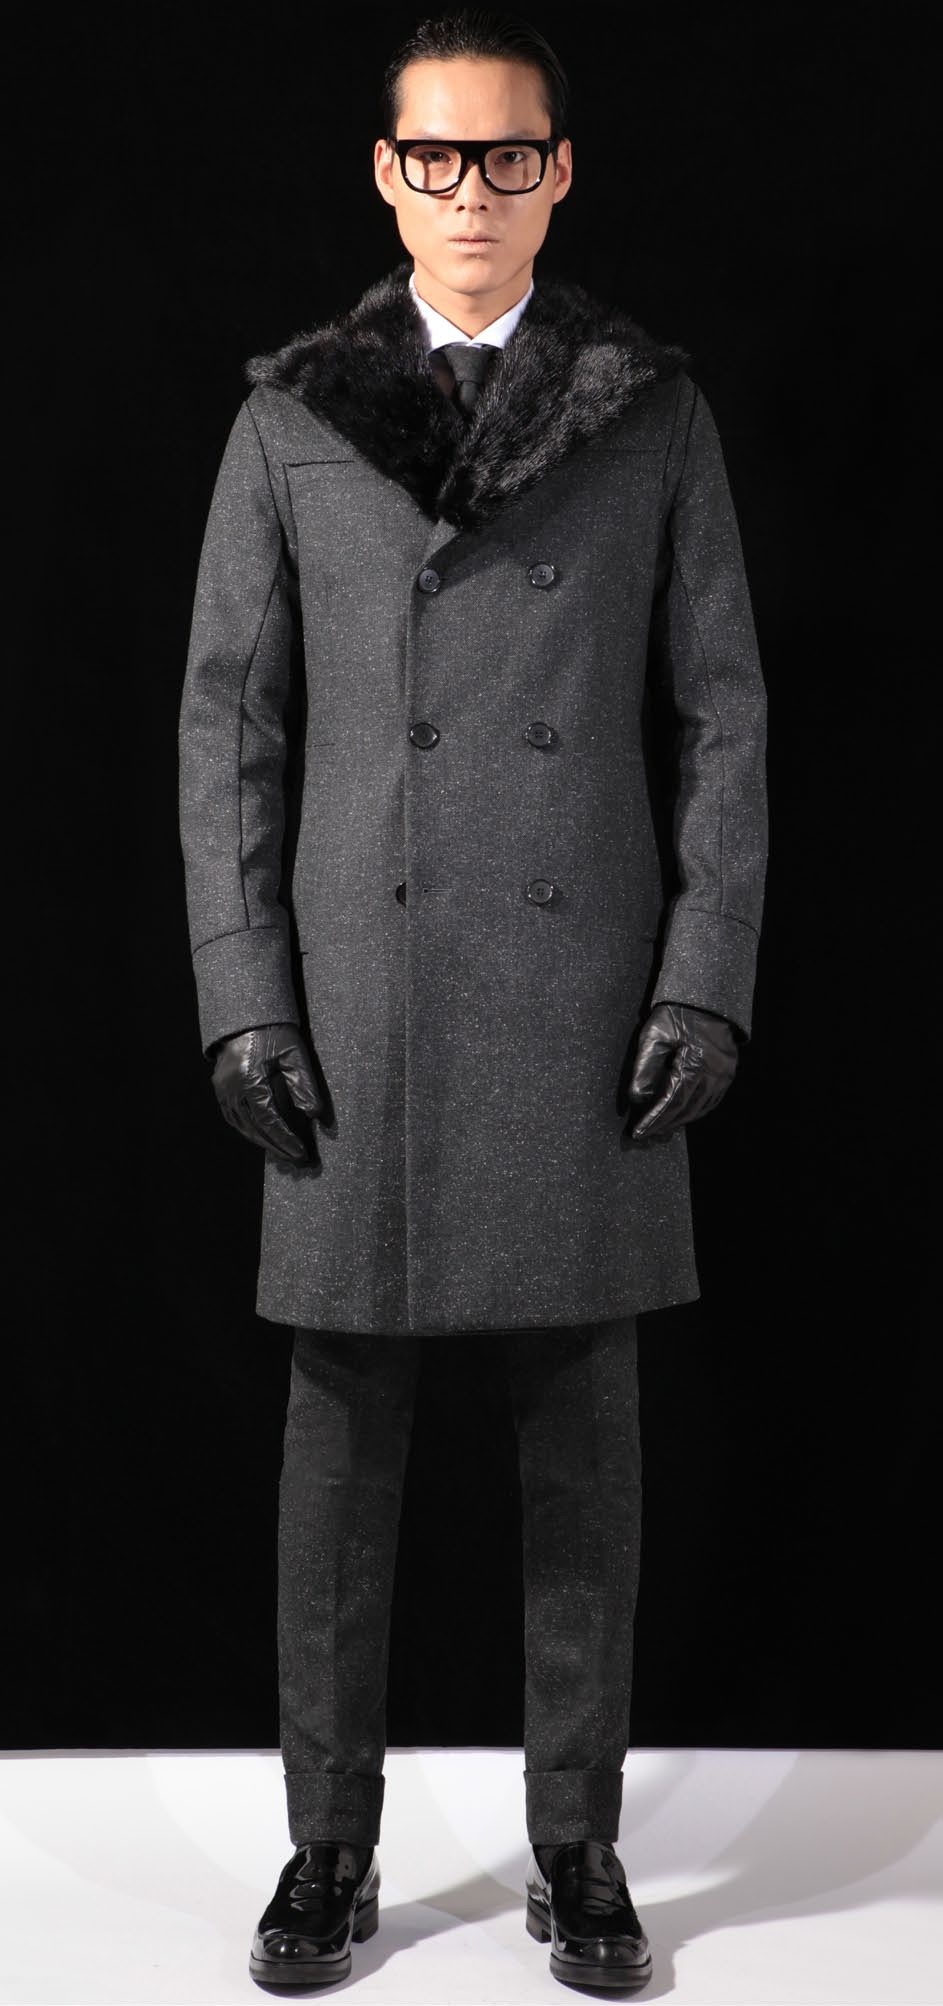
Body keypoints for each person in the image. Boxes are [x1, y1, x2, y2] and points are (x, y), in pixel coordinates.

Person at [177, 7, 768, 1992]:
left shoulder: (648, 413)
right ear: (384, 172)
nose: (470, 193)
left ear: (559, 172)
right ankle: (325, 1847)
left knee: (583, 1447)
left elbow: (724, 715)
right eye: (434, 156)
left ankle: (576, 1848)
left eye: (507, 155)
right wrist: (243, 994)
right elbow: (228, 730)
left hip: (580, 995)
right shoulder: (290, 419)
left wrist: (706, 975)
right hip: (356, 1002)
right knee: (337, 1452)